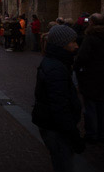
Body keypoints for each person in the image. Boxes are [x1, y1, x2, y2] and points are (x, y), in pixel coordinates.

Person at [33, 24, 85, 171]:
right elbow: (59, 106)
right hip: (55, 127)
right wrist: (74, 137)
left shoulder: (56, 62)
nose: (76, 46)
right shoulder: (56, 68)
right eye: (72, 42)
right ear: (62, 44)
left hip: (51, 123)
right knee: (63, 164)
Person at [75, 13, 104, 144]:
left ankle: (92, 134)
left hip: (90, 75)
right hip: (103, 75)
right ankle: (103, 133)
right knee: (102, 105)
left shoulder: (90, 37)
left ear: (92, 23)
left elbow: (82, 57)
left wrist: (78, 68)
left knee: (90, 106)